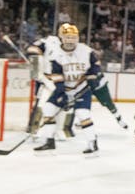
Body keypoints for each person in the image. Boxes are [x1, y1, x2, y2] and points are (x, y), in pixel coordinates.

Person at [33, 23, 102, 155]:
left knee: (83, 114)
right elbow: (57, 77)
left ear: (77, 38)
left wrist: (93, 76)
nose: (70, 40)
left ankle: (92, 143)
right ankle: (49, 141)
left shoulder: (86, 50)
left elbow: (96, 64)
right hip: (65, 89)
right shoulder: (55, 54)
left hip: (82, 89)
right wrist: (61, 95)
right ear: (61, 38)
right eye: (67, 37)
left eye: (73, 37)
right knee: (48, 109)